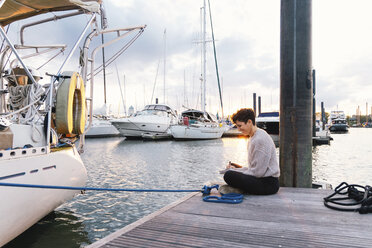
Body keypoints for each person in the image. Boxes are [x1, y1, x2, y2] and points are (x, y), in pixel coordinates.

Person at [223, 108, 280, 195]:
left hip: (268, 183)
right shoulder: (254, 136)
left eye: (240, 126)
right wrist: (236, 168)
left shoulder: (259, 139)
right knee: (233, 166)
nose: (238, 129)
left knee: (229, 176)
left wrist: (235, 171)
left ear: (249, 122)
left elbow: (258, 173)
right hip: (263, 177)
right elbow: (254, 168)